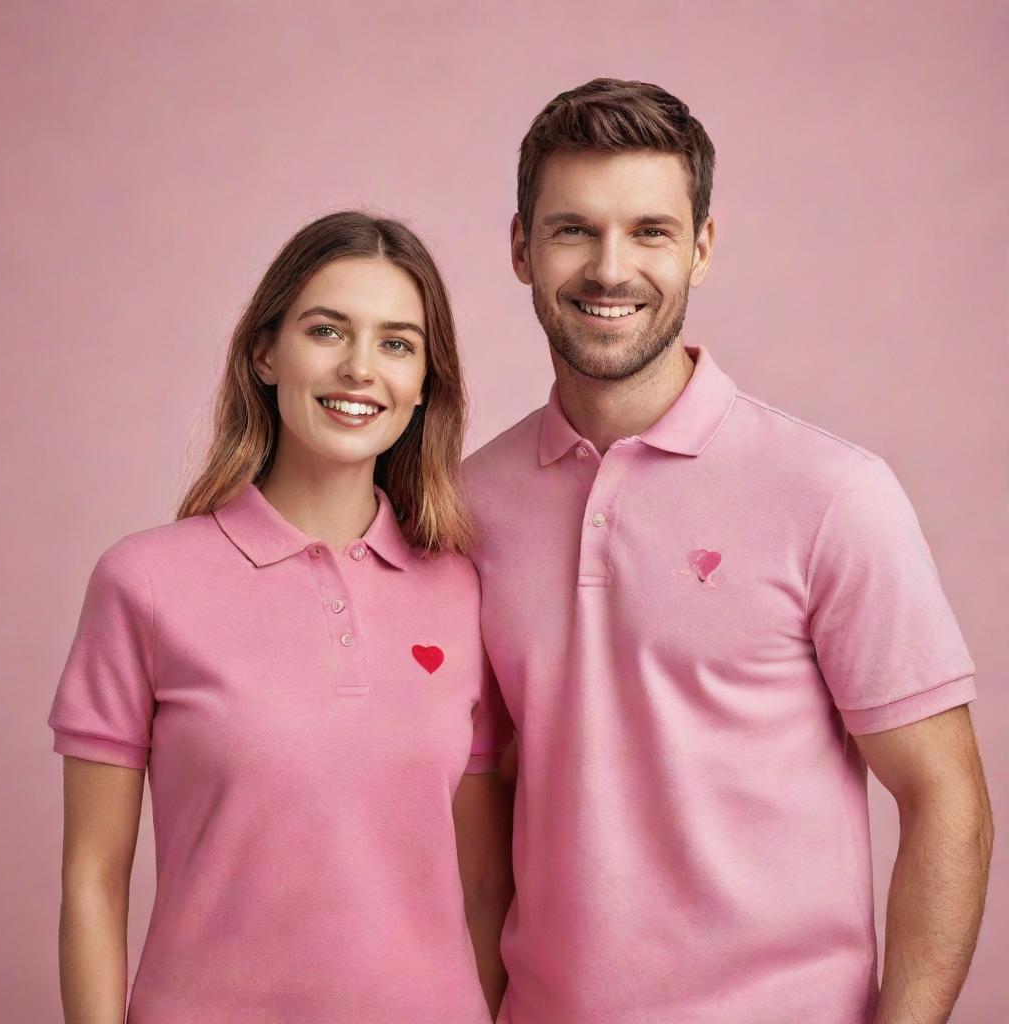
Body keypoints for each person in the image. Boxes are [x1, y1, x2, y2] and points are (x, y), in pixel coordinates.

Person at [462, 78, 993, 1024]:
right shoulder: (468, 506)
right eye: (573, 229)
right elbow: (480, 798)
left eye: (652, 231)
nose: (610, 268)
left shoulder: (831, 493)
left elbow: (945, 797)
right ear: (520, 248)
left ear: (702, 249)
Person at [48, 211, 514, 1024]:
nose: (361, 368)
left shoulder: (461, 592)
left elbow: (482, 885)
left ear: (424, 382)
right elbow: (94, 879)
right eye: (327, 331)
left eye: (397, 344)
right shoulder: (145, 582)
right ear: (266, 353)